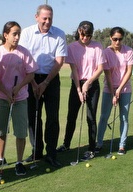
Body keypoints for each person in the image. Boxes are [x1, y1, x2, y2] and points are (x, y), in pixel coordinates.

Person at [19, 4, 67, 167]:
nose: (47, 21)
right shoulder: (26, 33)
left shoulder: (59, 34)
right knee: (33, 118)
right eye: (44, 18)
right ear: (37, 17)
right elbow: (24, 59)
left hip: (51, 79)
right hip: (31, 78)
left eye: (50, 18)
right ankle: (37, 151)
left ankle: (51, 153)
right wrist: (33, 83)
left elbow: (59, 61)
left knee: (52, 117)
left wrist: (45, 83)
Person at [0, 21, 37, 176]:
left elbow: (31, 73)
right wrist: (6, 91)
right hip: (2, 98)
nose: (17, 37)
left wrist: (18, 88)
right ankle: (0, 158)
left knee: (20, 132)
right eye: (14, 34)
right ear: (6, 35)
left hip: (21, 98)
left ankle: (18, 162)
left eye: (19, 34)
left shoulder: (24, 52)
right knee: (1, 130)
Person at [56, 21, 104, 161]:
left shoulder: (97, 46)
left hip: (92, 84)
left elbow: (100, 68)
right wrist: (78, 89)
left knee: (91, 117)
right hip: (77, 83)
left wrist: (88, 83)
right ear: (78, 31)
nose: (85, 38)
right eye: (83, 35)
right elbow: (74, 70)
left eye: (88, 36)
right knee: (71, 116)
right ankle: (66, 144)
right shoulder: (71, 47)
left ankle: (91, 148)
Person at [96, 27, 133, 155]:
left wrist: (119, 90)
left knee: (124, 117)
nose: (117, 42)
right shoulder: (105, 52)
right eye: (115, 39)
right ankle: (99, 143)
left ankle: (122, 145)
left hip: (125, 88)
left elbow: (129, 71)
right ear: (110, 38)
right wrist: (113, 92)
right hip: (109, 88)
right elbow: (107, 74)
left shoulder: (128, 51)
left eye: (120, 39)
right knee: (104, 116)